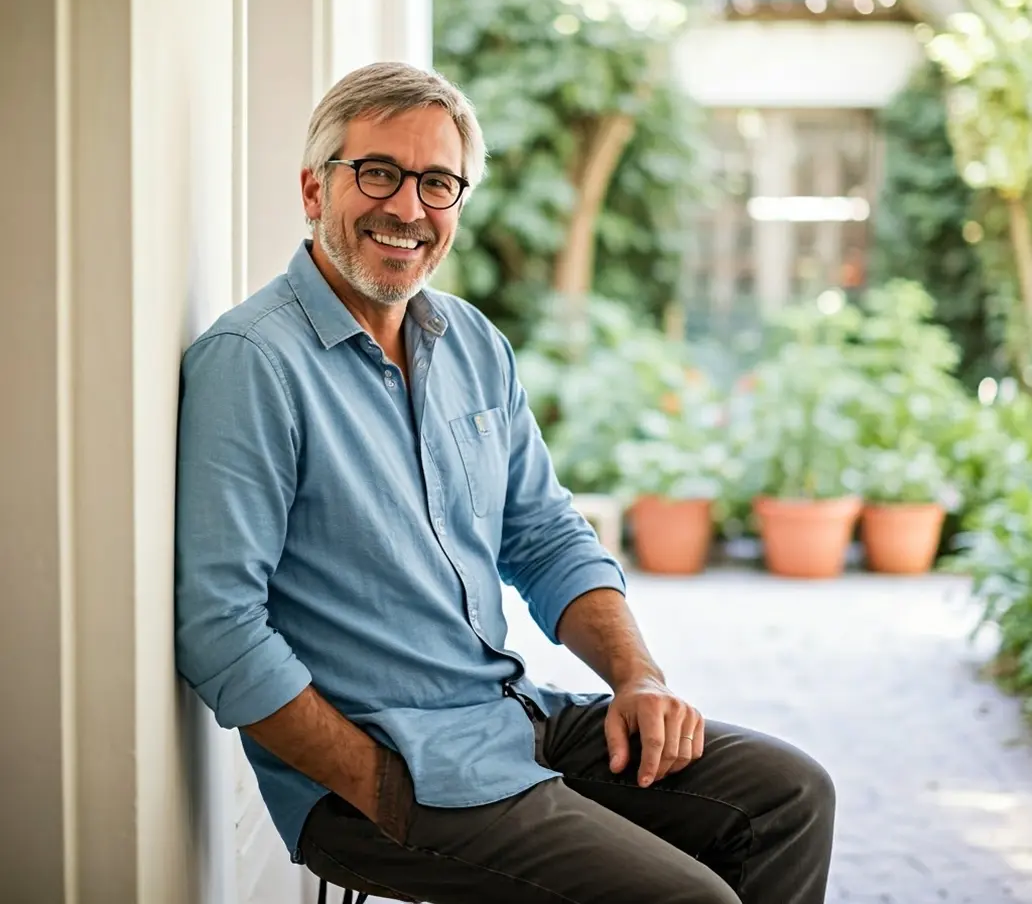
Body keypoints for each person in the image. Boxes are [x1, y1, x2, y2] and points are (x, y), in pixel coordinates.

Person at [175, 61, 835, 904]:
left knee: (789, 798)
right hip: (387, 765)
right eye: (378, 173)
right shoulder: (253, 363)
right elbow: (220, 628)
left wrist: (639, 678)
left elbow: (545, 535)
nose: (408, 208)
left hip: (511, 716)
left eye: (437, 183)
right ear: (314, 190)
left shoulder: (471, 343)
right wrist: (377, 784)